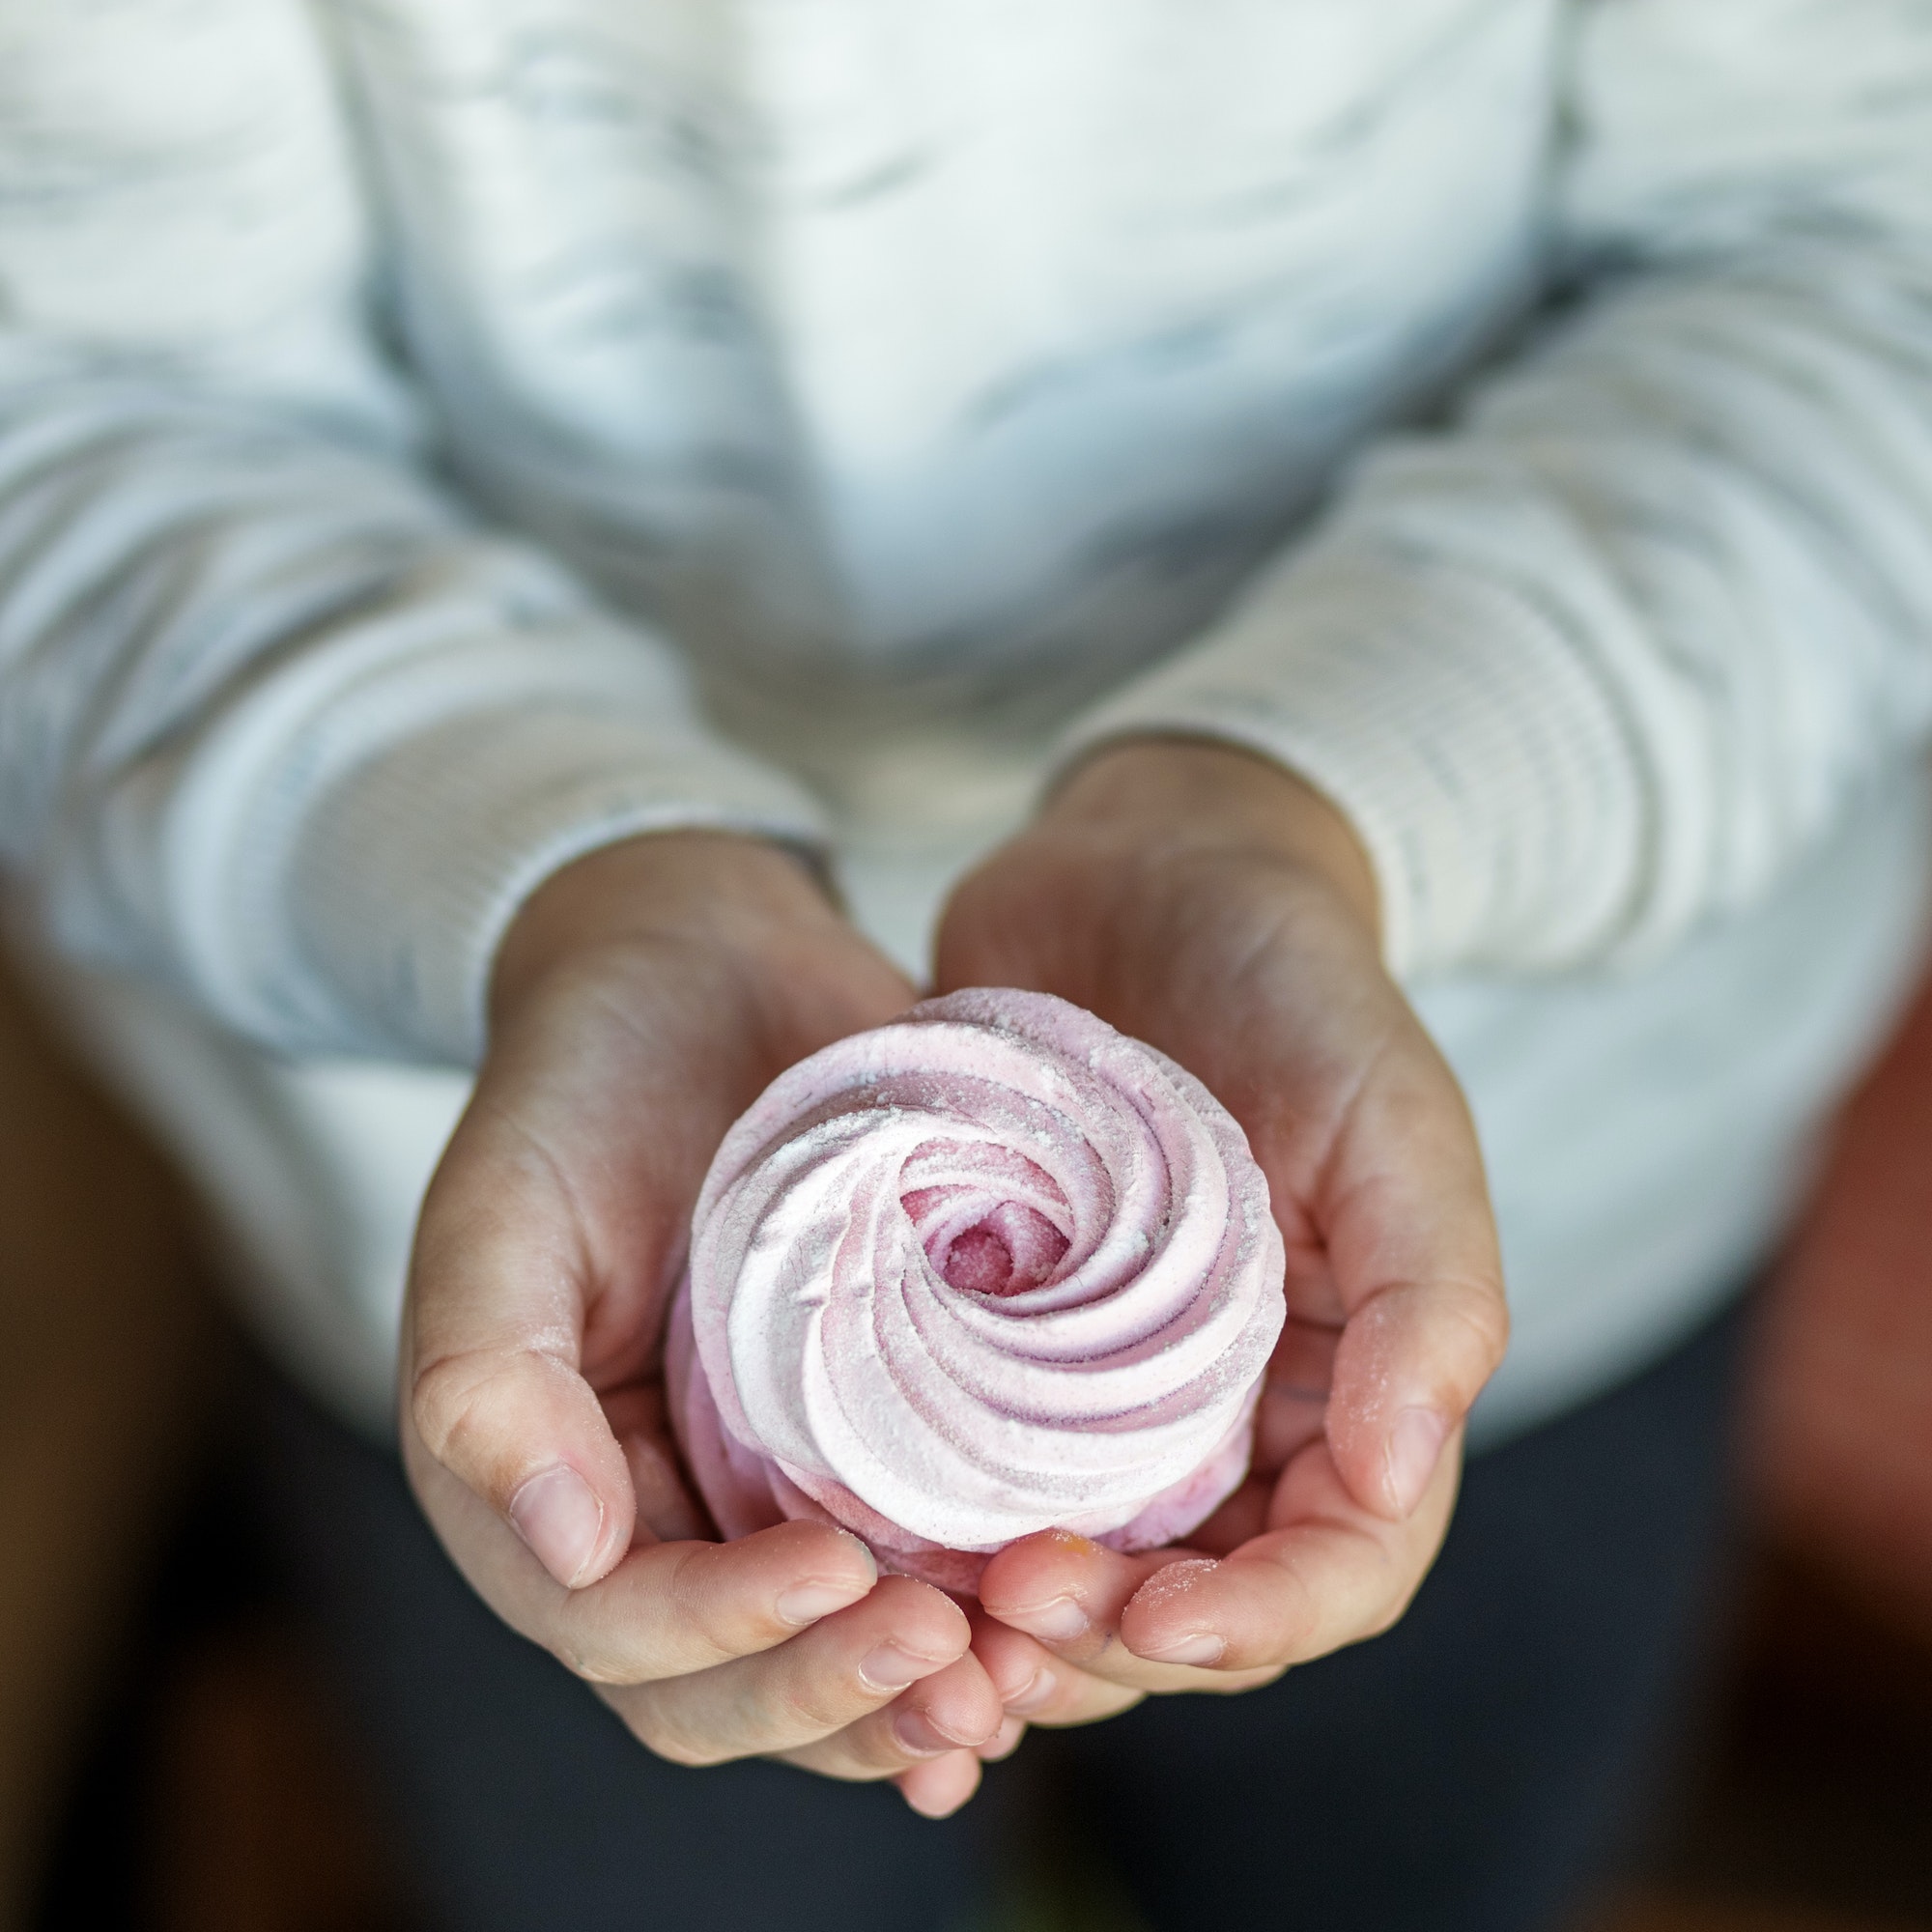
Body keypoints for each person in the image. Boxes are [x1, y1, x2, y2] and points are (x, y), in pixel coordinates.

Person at [4, 3, 1932, 1926]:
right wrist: (573, 890)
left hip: (1506, 1215)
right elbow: (63, 397)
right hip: (551, 1296)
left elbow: (1862, 262)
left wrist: (1300, 808)